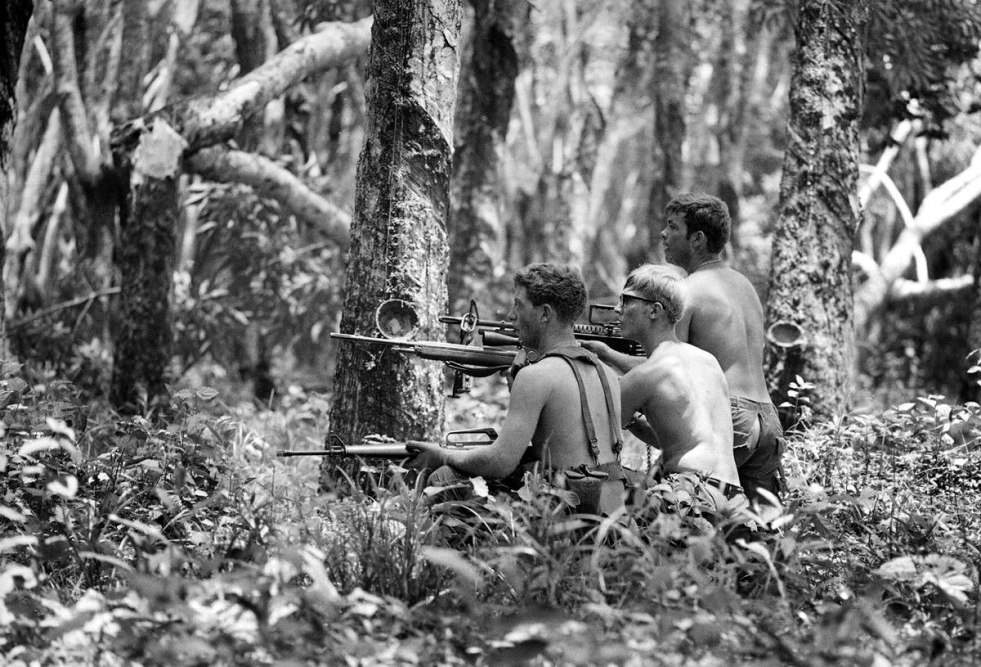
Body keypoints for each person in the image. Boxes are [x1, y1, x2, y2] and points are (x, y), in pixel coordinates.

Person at [588, 193, 784, 504]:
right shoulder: (743, 285)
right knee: (751, 527)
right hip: (767, 419)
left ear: (697, 239)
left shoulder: (688, 291)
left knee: (669, 502)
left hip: (728, 418)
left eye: (673, 227)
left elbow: (664, 368)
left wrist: (607, 355)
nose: (663, 234)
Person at [408, 263, 625, 512]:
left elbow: (500, 462)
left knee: (444, 479)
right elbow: (565, 444)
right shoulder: (607, 373)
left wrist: (443, 454)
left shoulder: (536, 376)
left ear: (545, 313)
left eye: (519, 305)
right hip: (612, 513)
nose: (512, 316)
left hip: (568, 512)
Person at [615, 264, 741, 497]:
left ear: (654, 310)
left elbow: (597, 441)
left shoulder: (646, 374)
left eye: (625, 300)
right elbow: (684, 437)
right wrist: (632, 420)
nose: (617, 309)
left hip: (689, 495)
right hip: (732, 496)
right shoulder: (708, 361)